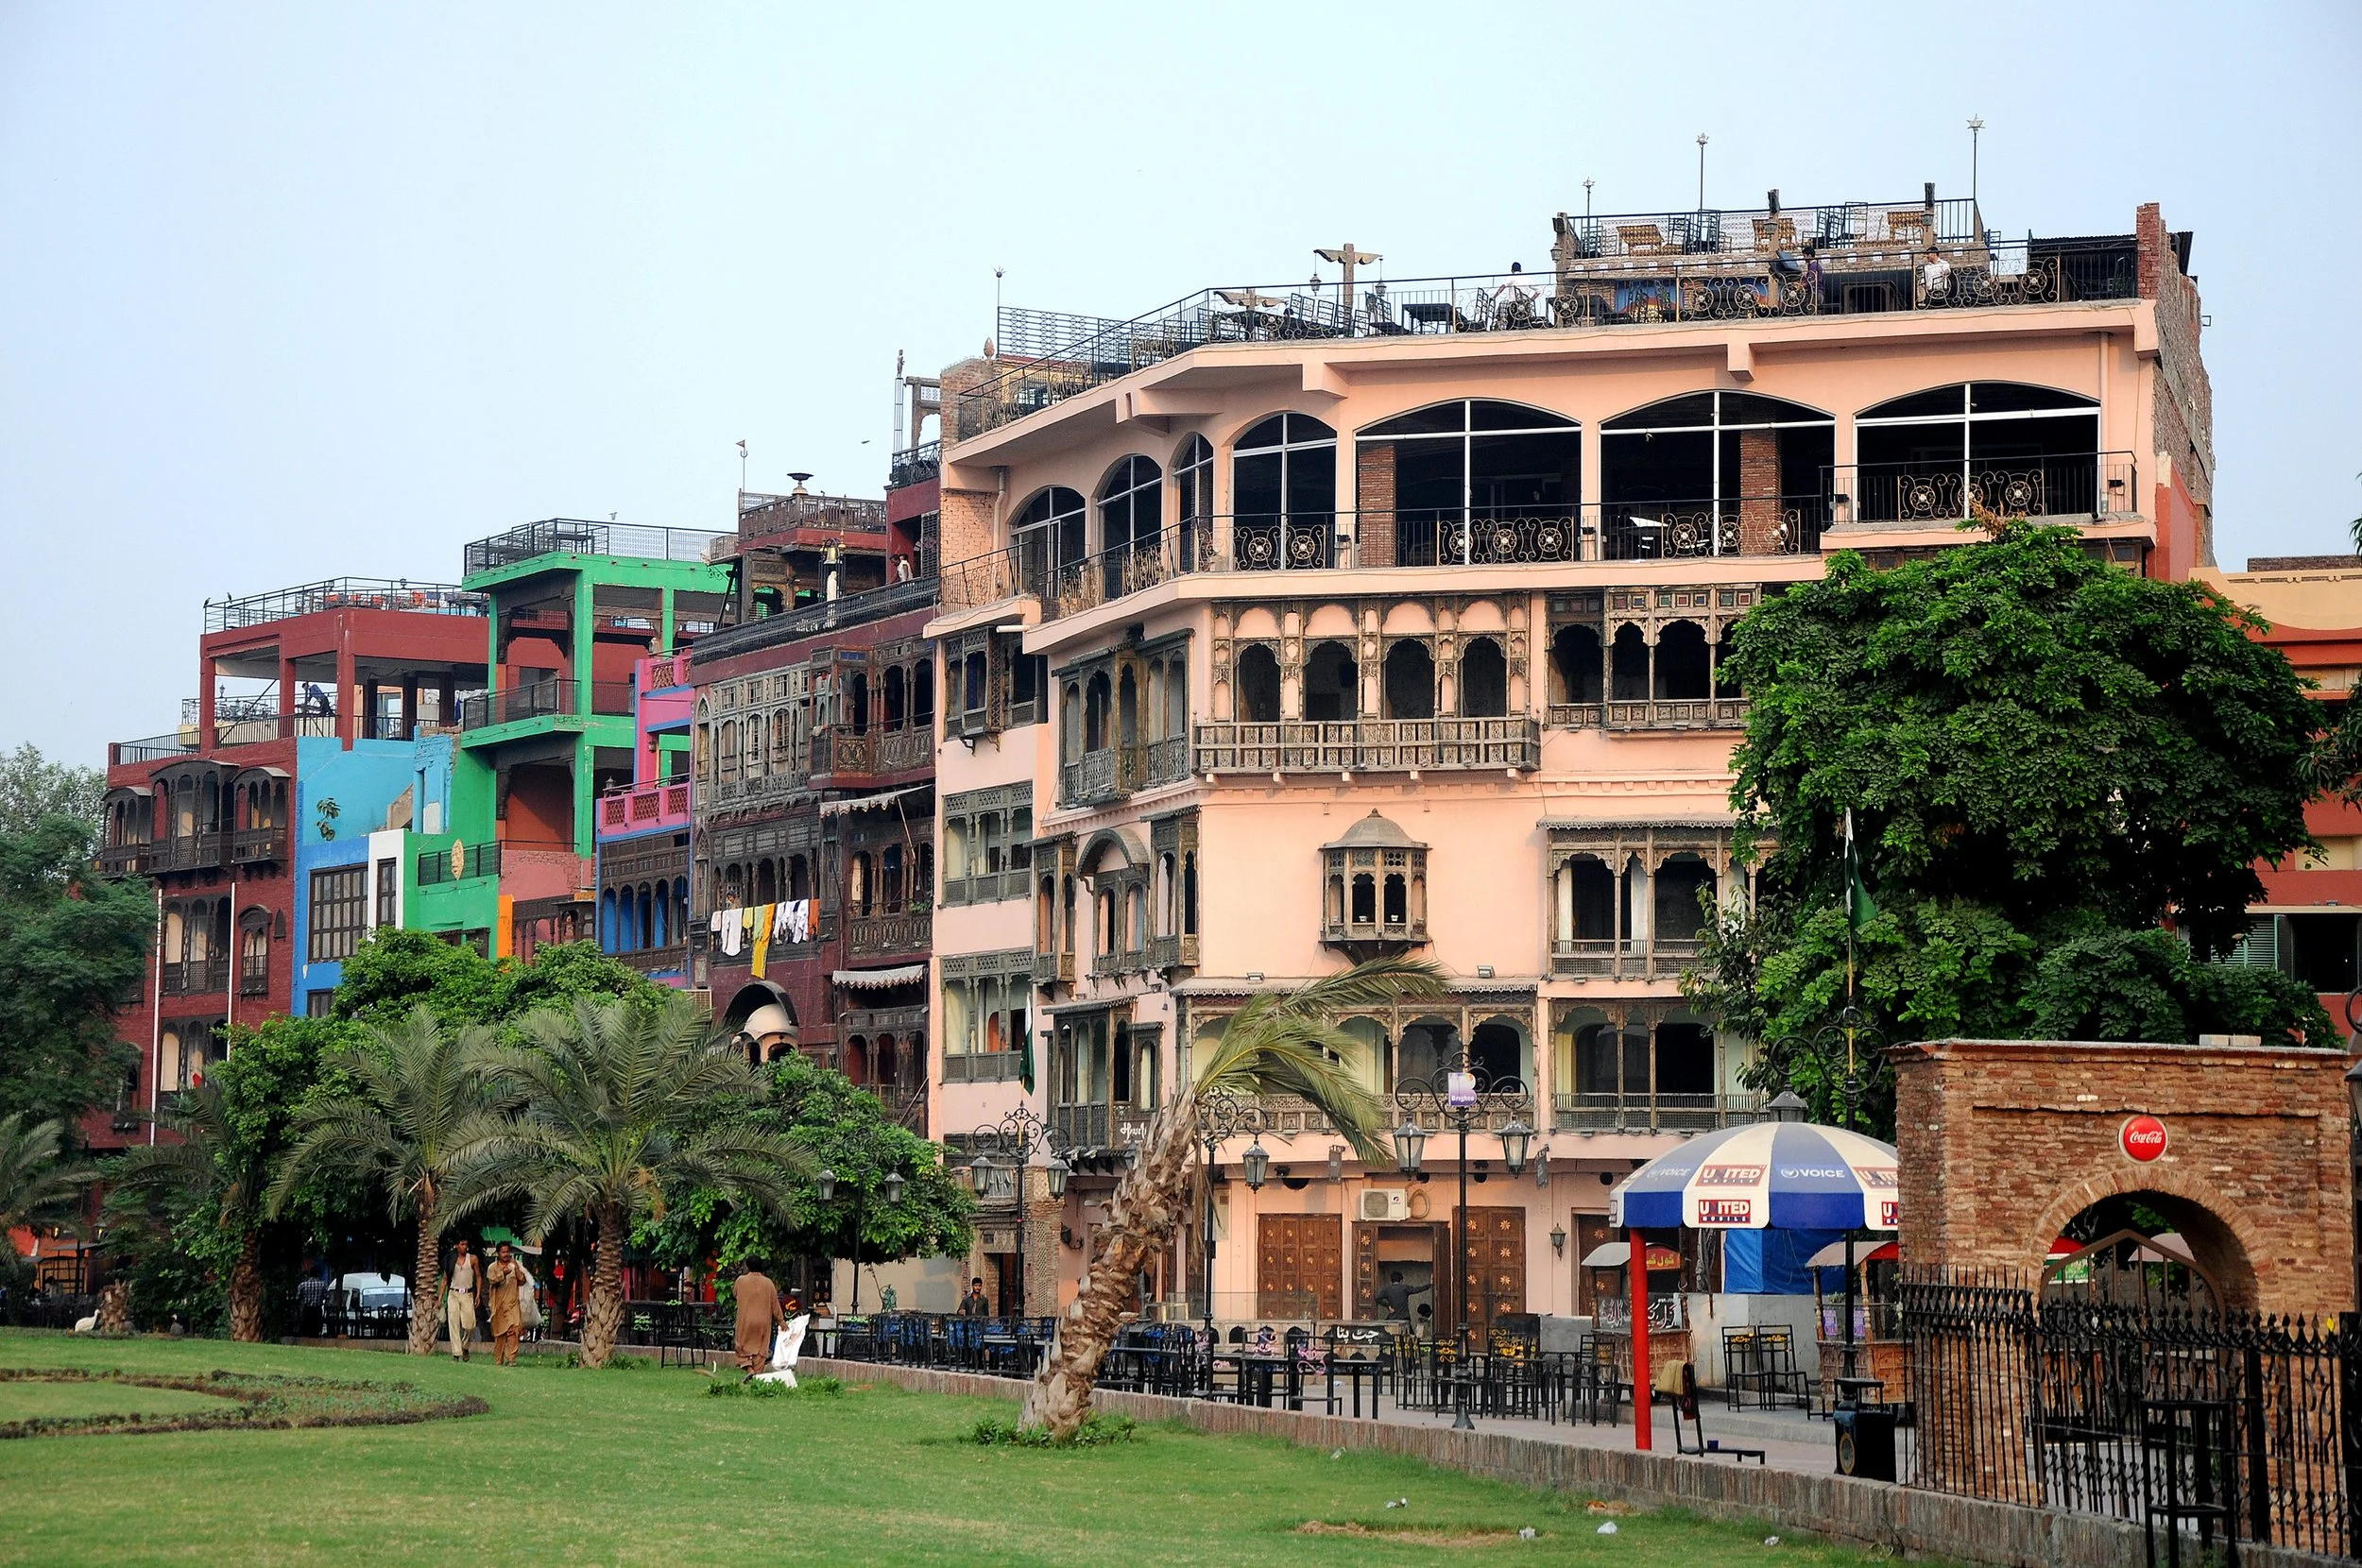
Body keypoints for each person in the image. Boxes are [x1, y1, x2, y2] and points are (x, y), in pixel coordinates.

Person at [733, 1259, 783, 1375]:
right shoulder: (768, 1283)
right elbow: (775, 1304)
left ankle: (749, 1368)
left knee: (741, 1347)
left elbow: (735, 1294)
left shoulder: (740, 1281)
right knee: (761, 1349)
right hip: (763, 1322)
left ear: (747, 1266)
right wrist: (781, 1321)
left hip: (745, 1321)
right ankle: (757, 1373)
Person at [483, 1241, 529, 1366]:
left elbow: (522, 1281)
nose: (506, 1254)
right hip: (498, 1305)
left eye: (508, 1252)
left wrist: (516, 1267)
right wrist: (503, 1273)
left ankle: (511, 1359)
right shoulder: (493, 1267)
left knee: (514, 1329)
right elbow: (492, 1280)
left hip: (513, 1304)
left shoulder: (514, 1265)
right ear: (498, 1253)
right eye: (503, 1252)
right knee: (500, 1334)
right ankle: (499, 1359)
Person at [445, 1237, 479, 1361]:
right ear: (456, 1246)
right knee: (453, 1323)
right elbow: (445, 1279)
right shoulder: (451, 1259)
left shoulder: (473, 1259)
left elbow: (478, 1276)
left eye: (466, 1244)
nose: (465, 1247)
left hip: (467, 1293)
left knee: (470, 1325)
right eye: (462, 1244)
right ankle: (456, 1353)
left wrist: (478, 1294)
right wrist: (440, 1298)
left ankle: (465, 1346)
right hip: (453, 1293)